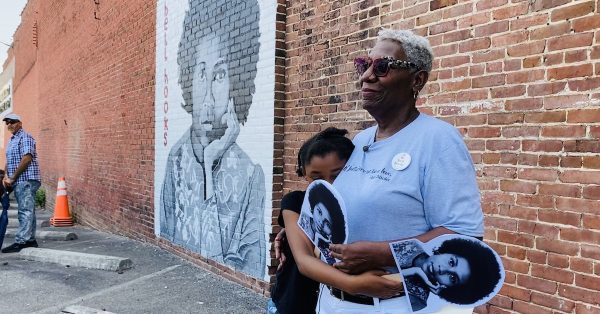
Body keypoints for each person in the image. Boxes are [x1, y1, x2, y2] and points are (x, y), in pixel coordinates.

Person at [315, 28, 485, 313]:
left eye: (382, 67)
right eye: (363, 64)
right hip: (335, 300)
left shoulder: (438, 140)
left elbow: (464, 236)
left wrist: (383, 254)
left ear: (416, 80)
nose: (366, 76)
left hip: (395, 304)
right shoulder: (361, 140)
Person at [159, 0, 266, 278]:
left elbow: (235, 271)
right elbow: (168, 243)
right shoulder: (176, 160)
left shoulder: (250, 176)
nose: (207, 94)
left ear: (236, 83)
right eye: (201, 72)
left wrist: (208, 168)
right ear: (188, 76)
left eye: (219, 75)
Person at [268, 127, 356, 314]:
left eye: (336, 175)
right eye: (317, 178)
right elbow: (305, 258)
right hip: (293, 302)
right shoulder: (294, 202)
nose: (328, 184)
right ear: (304, 173)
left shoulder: (357, 206)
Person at [391, 237, 502, 312]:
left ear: (449, 288)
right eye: (451, 262)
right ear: (445, 250)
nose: (442, 270)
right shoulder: (410, 244)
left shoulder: (418, 301)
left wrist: (415, 271)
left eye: (452, 278)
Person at [1, 113, 42, 253]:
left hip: (26, 179)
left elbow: (27, 158)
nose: (9, 125)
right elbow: (9, 161)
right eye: (7, 123)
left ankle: (22, 241)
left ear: (20, 123)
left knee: (24, 210)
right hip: (18, 179)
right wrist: (6, 176)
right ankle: (30, 240)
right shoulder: (13, 140)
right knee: (29, 210)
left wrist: (13, 177)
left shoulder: (25, 137)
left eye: (12, 122)